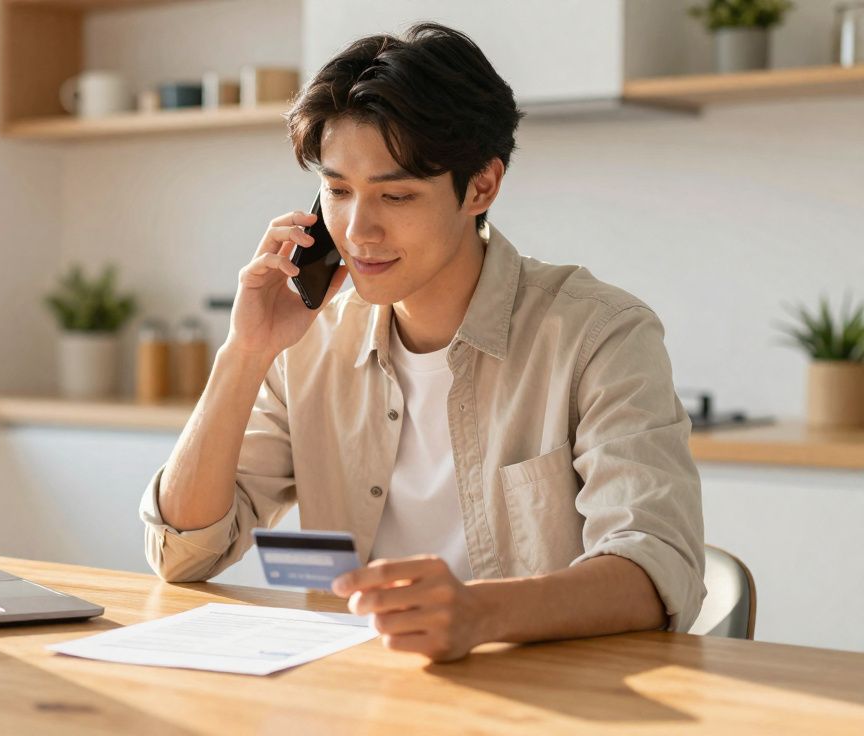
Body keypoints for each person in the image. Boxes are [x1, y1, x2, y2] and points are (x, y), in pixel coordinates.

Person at [138, 22, 705, 662]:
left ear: (482, 187)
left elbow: (654, 571)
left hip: (549, 698)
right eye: (338, 191)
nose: (358, 231)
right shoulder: (309, 340)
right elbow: (184, 552)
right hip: (362, 692)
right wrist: (244, 353)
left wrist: (477, 613)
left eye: (397, 194)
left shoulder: (599, 333)